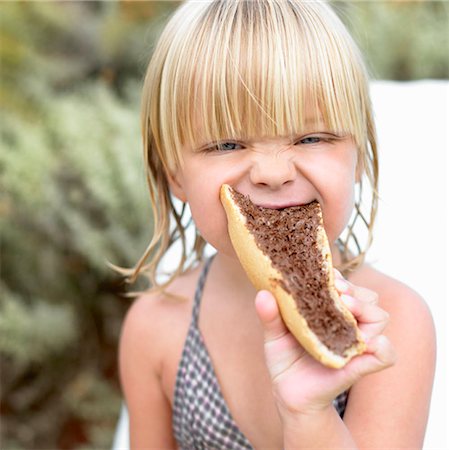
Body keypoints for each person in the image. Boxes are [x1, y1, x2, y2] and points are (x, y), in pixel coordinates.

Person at [119, 1, 436, 448]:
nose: (273, 171)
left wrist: (308, 414)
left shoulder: (393, 326)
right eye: (226, 143)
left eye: (311, 138)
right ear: (175, 174)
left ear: (359, 155)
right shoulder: (154, 328)